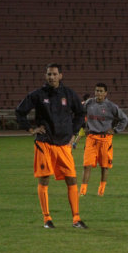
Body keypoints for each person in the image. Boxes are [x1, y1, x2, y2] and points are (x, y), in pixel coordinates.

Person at [15, 63, 87, 229]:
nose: (51, 77)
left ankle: (76, 219)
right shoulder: (38, 95)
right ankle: (47, 219)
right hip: (44, 143)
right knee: (45, 179)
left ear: (61, 76)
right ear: (45, 76)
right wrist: (31, 129)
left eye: (54, 74)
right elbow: (20, 111)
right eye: (49, 74)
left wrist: (72, 132)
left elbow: (81, 113)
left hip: (63, 144)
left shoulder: (69, 94)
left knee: (71, 179)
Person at [79, 83, 128, 197]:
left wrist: (116, 130)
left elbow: (124, 119)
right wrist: (83, 126)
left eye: (101, 91)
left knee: (104, 166)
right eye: (97, 91)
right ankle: (82, 191)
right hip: (91, 138)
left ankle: (101, 191)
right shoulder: (89, 103)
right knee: (87, 165)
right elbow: (79, 114)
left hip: (105, 139)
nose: (99, 93)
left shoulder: (111, 106)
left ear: (105, 93)